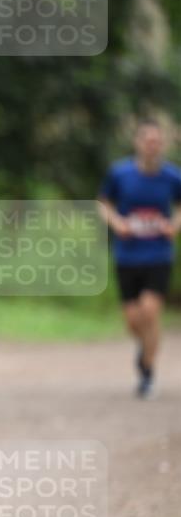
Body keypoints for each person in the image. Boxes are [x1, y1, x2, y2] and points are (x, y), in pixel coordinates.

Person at [99, 120, 181, 398]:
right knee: (133, 319)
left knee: (150, 311)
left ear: (162, 145)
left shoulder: (172, 176)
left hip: (158, 254)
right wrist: (117, 223)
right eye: (148, 140)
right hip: (127, 255)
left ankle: (147, 370)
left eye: (157, 141)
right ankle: (144, 348)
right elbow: (103, 203)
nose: (152, 145)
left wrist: (175, 225)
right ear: (138, 142)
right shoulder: (120, 174)